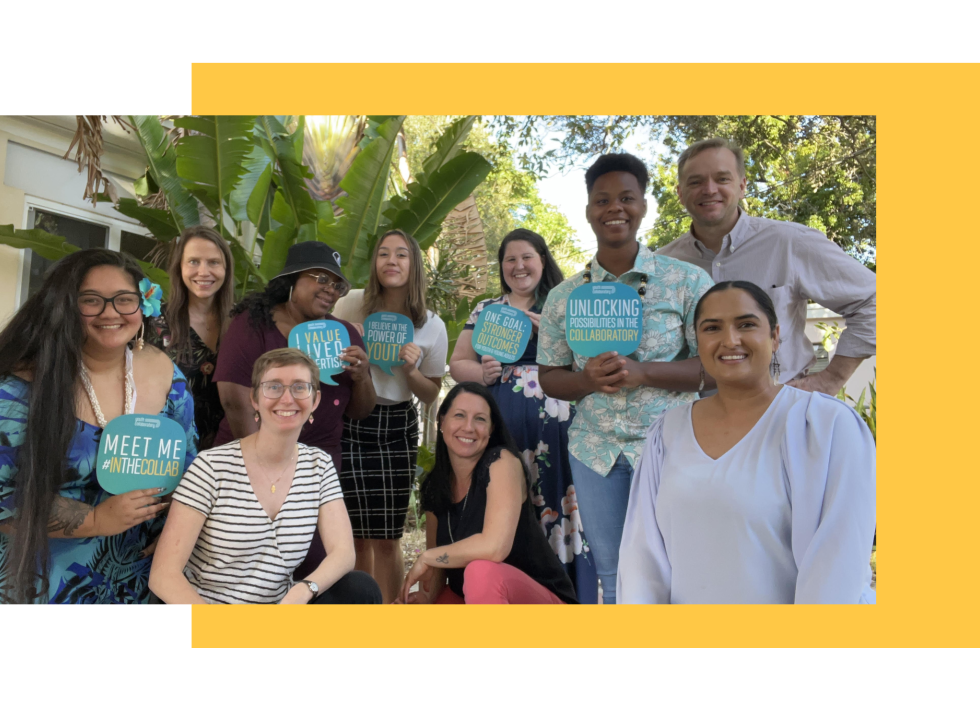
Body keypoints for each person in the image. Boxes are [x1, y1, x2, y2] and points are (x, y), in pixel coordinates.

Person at [618, 281, 876, 604]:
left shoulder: (824, 426)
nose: (730, 340)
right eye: (712, 328)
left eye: (746, 324)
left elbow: (838, 567)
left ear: (775, 336)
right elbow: (642, 560)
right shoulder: (667, 432)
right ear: (697, 342)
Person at [536, 153, 714, 604]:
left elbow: (711, 369)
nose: (614, 208)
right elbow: (551, 378)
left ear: (644, 206)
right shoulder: (564, 297)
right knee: (615, 574)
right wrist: (587, 380)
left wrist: (644, 372)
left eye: (626, 198)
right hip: (596, 453)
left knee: (682, 567)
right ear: (589, 211)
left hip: (669, 447)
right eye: (602, 200)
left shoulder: (686, 281)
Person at [0, 249, 197, 604]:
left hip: (135, 577)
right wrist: (93, 520)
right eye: (92, 300)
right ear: (64, 307)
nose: (110, 313)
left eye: (125, 300)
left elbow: (190, 467)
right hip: (43, 581)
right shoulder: (18, 388)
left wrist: (178, 527)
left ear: (143, 305)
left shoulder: (169, 377)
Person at [149, 348, 382, 604]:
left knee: (360, 588)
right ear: (255, 399)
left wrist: (303, 589)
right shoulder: (212, 467)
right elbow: (163, 575)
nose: (287, 398)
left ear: (315, 400)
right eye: (273, 387)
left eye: (299, 387)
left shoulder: (319, 465)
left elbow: (343, 553)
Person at [656, 137, 876, 396]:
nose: (709, 189)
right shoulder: (662, 266)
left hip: (782, 414)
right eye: (695, 182)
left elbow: (874, 300)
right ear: (680, 193)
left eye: (722, 179)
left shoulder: (790, 243)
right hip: (694, 422)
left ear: (742, 186)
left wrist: (830, 379)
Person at [213, 241, 376, 579]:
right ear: (292, 279)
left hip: (318, 467)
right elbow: (234, 401)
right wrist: (270, 470)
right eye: (321, 278)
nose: (330, 290)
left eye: (337, 284)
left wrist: (361, 377)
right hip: (247, 466)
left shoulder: (343, 334)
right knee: (247, 570)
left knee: (314, 567)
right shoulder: (253, 325)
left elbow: (360, 411)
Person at [449, 229, 596, 603]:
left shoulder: (563, 305)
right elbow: (457, 362)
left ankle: (565, 597)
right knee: (507, 504)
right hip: (502, 427)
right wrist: (481, 372)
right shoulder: (486, 310)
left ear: (542, 260)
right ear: (501, 267)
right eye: (510, 259)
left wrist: (548, 332)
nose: (518, 266)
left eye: (526, 257)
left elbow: (588, 363)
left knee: (559, 500)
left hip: (560, 431)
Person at [330, 229, 447, 603]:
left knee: (387, 536)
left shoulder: (431, 324)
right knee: (355, 535)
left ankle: (391, 617)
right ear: (375, 263)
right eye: (383, 254)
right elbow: (324, 358)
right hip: (350, 419)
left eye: (401, 254)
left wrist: (410, 370)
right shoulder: (349, 305)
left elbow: (430, 393)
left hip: (397, 425)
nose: (391, 261)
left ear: (413, 265)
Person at [400, 382, 577, 604]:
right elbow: (439, 566)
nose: (468, 427)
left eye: (480, 419)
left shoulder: (502, 462)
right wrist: (424, 598)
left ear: (491, 429)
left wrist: (427, 557)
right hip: (476, 598)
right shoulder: (436, 485)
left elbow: (494, 548)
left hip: (539, 602)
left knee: (480, 571)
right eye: (459, 415)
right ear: (442, 422)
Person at [146, 225, 234, 450]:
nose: (203, 272)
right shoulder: (155, 322)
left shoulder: (243, 323)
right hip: (168, 452)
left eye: (213, 262)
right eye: (194, 261)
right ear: (179, 268)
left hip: (229, 451)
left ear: (226, 268)